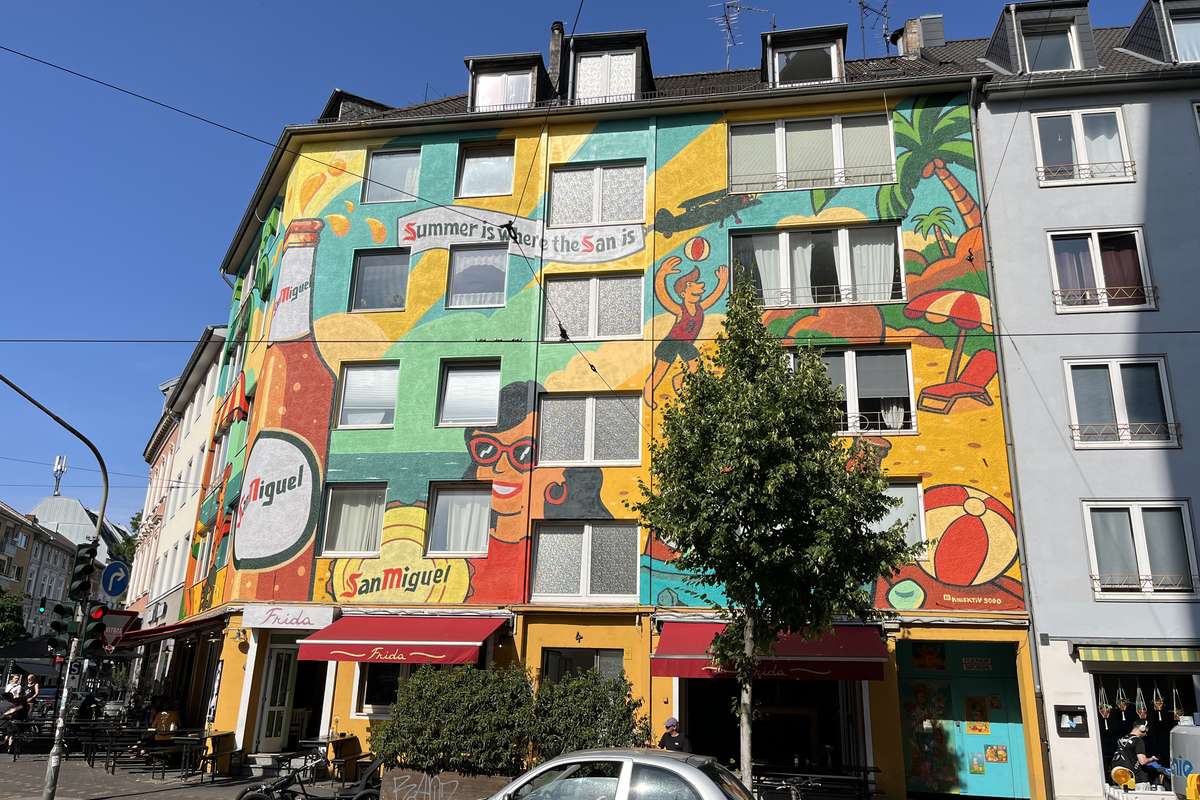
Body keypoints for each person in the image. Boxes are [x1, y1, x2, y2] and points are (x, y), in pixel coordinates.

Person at [1115, 722, 1170, 788]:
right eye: (1146, 731)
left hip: (1126, 778)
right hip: (1139, 780)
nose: (1146, 734)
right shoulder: (1138, 740)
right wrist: (1152, 759)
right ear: (1142, 728)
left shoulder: (1122, 739)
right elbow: (1142, 761)